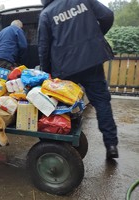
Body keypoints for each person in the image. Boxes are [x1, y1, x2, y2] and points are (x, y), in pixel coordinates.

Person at [38, 0, 118, 159]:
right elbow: (108, 15)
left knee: (66, 105)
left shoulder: (46, 14)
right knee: (101, 102)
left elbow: (43, 47)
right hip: (91, 61)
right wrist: (96, 38)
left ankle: (66, 141)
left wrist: (46, 74)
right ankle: (111, 145)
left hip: (65, 68)